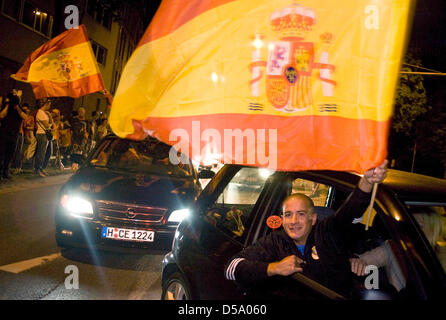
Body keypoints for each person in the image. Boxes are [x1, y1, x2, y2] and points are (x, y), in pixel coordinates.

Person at [224, 161, 388, 298]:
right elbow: (231, 268)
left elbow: (351, 211)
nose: (293, 221)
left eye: (301, 214)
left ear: (313, 218)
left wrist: (367, 182)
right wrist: (274, 268)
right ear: (282, 219)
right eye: (288, 215)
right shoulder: (275, 242)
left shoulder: (327, 233)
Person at [0, 91, 28, 180]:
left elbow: (25, 117)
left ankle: (5, 172)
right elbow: (1, 116)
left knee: (10, 154)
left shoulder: (19, 110)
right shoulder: (6, 108)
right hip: (4, 134)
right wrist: (8, 106)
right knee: (1, 154)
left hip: (14, 135)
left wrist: (18, 107)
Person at [33, 98, 52, 177]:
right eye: (49, 105)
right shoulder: (40, 113)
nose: (49, 106)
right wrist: (50, 117)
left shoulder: (43, 113)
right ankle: (37, 169)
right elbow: (48, 125)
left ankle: (40, 168)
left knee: (45, 153)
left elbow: (50, 125)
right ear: (46, 104)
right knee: (41, 153)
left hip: (44, 135)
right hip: (41, 134)